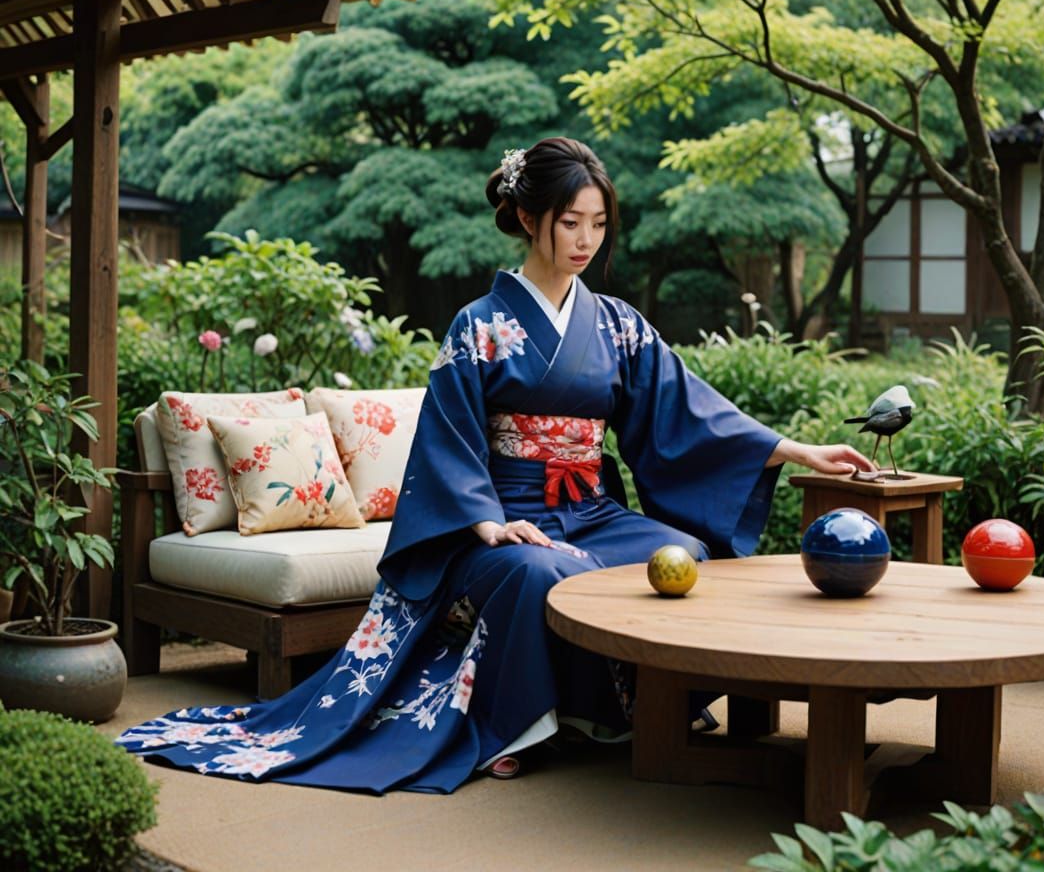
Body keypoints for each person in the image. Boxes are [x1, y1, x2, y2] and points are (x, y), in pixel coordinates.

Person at [118, 137, 874, 791]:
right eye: (570, 222)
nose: (585, 239)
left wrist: (797, 448)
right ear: (525, 217)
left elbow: (689, 411)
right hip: (500, 517)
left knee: (681, 555)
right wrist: (484, 520)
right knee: (534, 570)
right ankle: (518, 726)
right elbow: (445, 436)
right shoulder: (478, 326)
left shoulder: (617, 324)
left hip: (591, 510)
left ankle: (617, 713)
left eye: (598, 224)